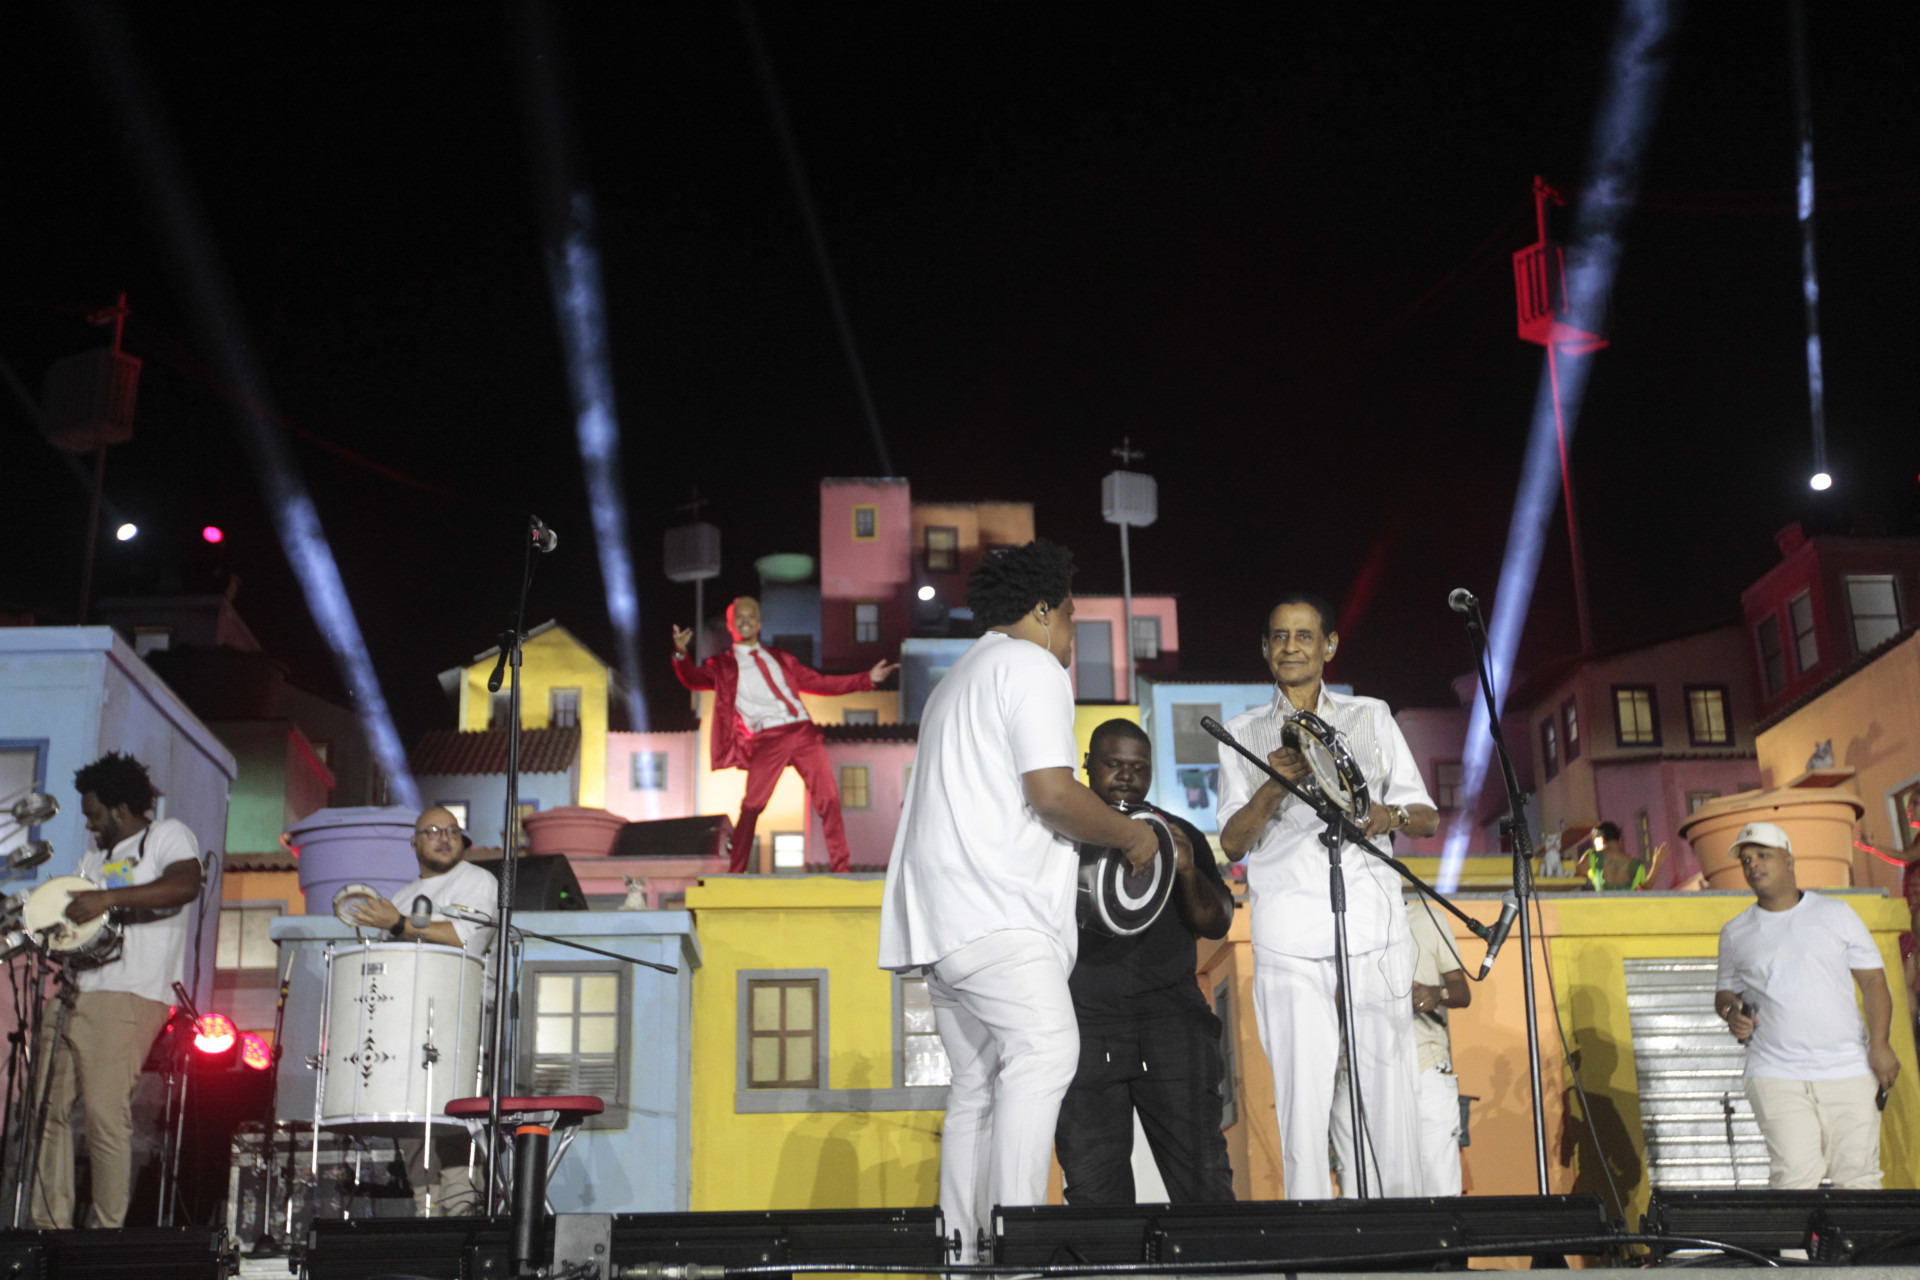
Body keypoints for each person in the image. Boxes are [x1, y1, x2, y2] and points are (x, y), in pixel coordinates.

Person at [879, 541, 1161, 1263]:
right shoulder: (1029, 666)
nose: (1070, 641)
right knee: (1046, 1049)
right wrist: (1132, 839)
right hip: (996, 912)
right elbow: (1053, 793)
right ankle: (1017, 1248)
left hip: (942, 926)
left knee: (978, 1086)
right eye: (1069, 622)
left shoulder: (957, 679)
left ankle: (964, 1254)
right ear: (1042, 612)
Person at [1215, 594, 1438, 1200]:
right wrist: (1273, 786)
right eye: (1279, 637)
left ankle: (1407, 1232)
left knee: (1390, 1087)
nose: (1291, 646)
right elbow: (1233, 841)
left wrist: (1378, 816)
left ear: (1329, 647)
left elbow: (1424, 816)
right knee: (1301, 1097)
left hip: (1372, 925)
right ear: (1265, 650)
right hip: (1288, 933)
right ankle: (1312, 1236)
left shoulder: (1370, 716)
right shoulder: (1239, 733)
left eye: (1304, 636)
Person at [1054, 719, 1236, 1204]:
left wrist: (1188, 870)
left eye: (1139, 768)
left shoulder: (1178, 833)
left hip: (1170, 1023)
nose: (1127, 777)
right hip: (1085, 1026)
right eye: (1114, 765)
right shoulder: (1060, 835)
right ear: (1088, 765)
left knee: (1204, 1184)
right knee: (1096, 1197)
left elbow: (1217, 922)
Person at [31, 752, 205, 1229]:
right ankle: (51, 1223)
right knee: (46, 1107)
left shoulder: (164, 837)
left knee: (106, 1113)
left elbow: (185, 885)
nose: (89, 825)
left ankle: (105, 1232)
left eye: (93, 814)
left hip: (130, 993)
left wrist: (108, 897)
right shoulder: (95, 858)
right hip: (76, 991)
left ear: (121, 811)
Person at [1714, 821, 1900, 1189]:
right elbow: (1724, 994)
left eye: (1763, 855)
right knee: (1794, 1179)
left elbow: (1873, 981)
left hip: (1846, 1066)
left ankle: (1854, 1250)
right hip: (1774, 1071)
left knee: (1858, 1177)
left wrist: (1880, 1044)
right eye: (1746, 859)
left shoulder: (1836, 913)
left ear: (1789, 859)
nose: (1753, 865)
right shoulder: (1736, 931)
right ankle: (1797, 1251)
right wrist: (1731, 1013)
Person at [342, 807, 499, 1216]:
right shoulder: (400, 898)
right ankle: (426, 1224)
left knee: (453, 1125)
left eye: (451, 831)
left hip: (458, 1022)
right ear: (414, 843)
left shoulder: (476, 881)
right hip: (407, 1027)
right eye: (432, 831)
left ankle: (464, 1220)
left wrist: (399, 923)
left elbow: (468, 940)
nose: (443, 838)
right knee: (413, 1130)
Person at [672, 597, 898, 873]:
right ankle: (736, 871)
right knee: (752, 805)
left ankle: (842, 869)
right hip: (768, 737)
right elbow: (693, 679)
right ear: (731, 625)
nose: (746, 621)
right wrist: (681, 654)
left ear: (759, 623)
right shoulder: (722, 666)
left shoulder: (781, 659)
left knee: (828, 800)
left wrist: (867, 678)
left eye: (751, 616)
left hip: (802, 730)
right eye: (739, 618)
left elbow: (820, 682)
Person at [1332, 900, 1470, 1196]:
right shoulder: (1340, 915)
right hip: (1358, 1069)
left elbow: (1462, 990)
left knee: (1438, 1186)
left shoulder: (1427, 916)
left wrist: (1437, 993)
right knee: (1357, 1189)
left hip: (1424, 1063)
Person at [1580, 821, 1648, 891]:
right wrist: (1656, 864)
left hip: (1604, 901)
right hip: (1626, 901)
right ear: (1619, 840)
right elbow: (1646, 887)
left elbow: (1573, 873)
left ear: (1602, 839)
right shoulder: (1635, 864)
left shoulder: (1594, 858)